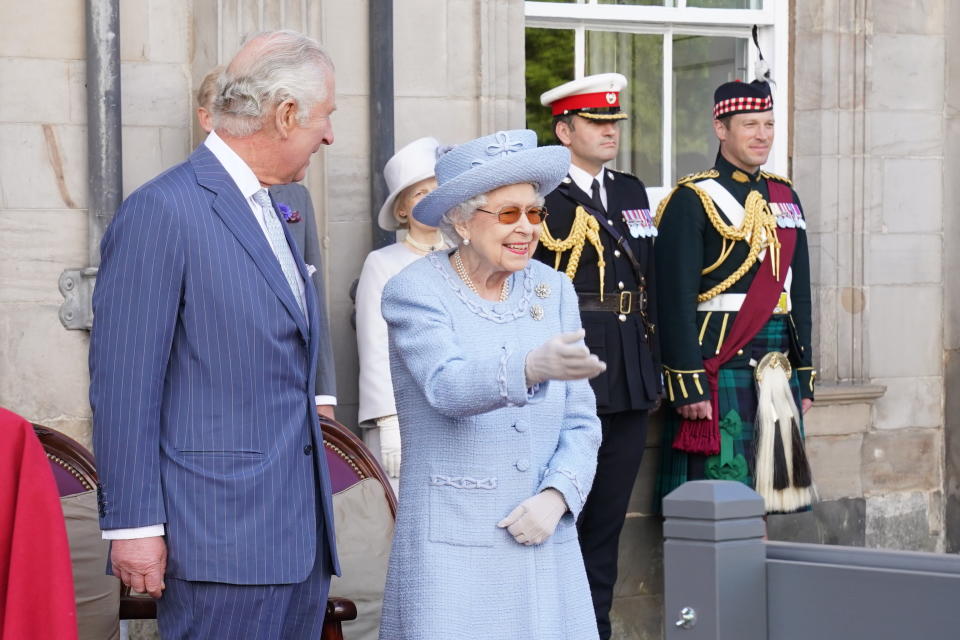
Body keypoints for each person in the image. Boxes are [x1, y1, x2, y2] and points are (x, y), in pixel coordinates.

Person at [89, 30, 340, 638]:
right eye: (325, 117)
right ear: (285, 115)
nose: (330, 135)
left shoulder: (277, 206)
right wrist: (134, 527)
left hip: (297, 537)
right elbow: (125, 384)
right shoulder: (164, 210)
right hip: (220, 538)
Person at [378, 129, 604, 639]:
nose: (526, 228)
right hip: (457, 552)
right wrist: (527, 366)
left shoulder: (555, 288)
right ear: (460, 219)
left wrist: (559, 496)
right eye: (508, 214)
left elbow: (581, 418)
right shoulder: (414, 291)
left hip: (543, 539)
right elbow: (447, 387)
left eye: (534, 213)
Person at [534, 72, 661, 640]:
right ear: (564, 129)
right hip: (572, 359)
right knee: (561, 515)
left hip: (629, 366)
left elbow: (651, 276)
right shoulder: (541, 195)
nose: (610, 131)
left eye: (614, 122)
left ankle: (596, 629)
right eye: (596, 122)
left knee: (606, 522)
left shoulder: (632, 192)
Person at [654, 74, 816, 515]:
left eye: (768, 124)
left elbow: (797, 293)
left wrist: (804, 373)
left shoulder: (785, 196)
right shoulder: (693, 198)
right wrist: (687, 385)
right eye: (750, 124)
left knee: (771, 495)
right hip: (719, 357)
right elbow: (673, 301)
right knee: (721, 500)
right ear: (720, 128)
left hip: (775, 363)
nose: (762, 135)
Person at [197, 66, 338, 418]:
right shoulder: (176, 204)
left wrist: (324, 397)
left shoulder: (295, 196)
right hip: (229, 413)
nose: (329, 137)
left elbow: (312, 298)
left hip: (296, 408)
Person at [355, 136, 448, 485]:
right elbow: (375, 346)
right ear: (402, 209)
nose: (430, 202)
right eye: (419, 194)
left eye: (436, 191)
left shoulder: (464, 256)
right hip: (403, 414)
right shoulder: (382, 263)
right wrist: (388, 420)